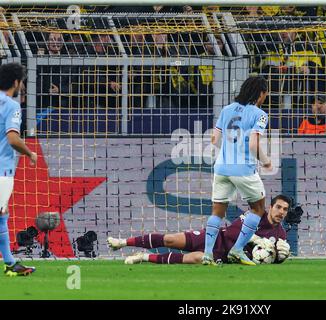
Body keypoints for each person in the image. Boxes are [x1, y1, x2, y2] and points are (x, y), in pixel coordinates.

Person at [203, 76, 271, 266]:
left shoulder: (227, 109)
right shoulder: (260, 114)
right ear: (261, 93)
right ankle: (237, 250)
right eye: (265, 94)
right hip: (243, 169)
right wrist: (266, 162)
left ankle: (207, 255)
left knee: (217, 211)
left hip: (222, 167)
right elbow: (254, 145)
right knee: (258, 209)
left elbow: (214, 139)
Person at [107, 195, 291, 265]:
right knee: (170, 239)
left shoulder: (280, 235)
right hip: (216, 239)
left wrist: (281, 257)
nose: (281, 212)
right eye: (278, 207)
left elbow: (269, 259)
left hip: (224, 255)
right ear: (271, 207)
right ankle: (122, 243)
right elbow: (234, 232)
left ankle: (144, 257)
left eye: (285, 209)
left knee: (195, 258)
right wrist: (256, 239)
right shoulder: (254, 217)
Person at [0, 63, 37, 276]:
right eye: (21, 82)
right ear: (16, 82)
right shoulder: (11, 106)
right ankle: (10, 264)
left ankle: (10, 264)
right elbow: (13, 138)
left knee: (2, 215)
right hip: (2, 172)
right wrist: (29, 153)